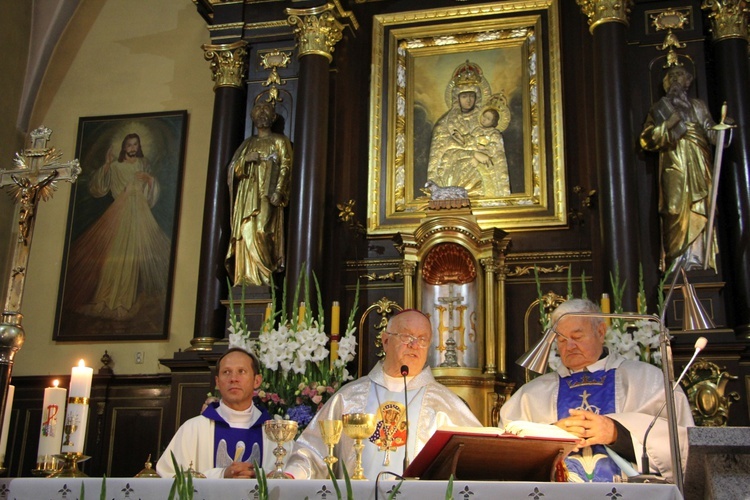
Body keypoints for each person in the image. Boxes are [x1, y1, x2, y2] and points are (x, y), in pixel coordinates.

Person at [499, 298, 694, 483]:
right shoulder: (531, 395)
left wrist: (618, 434)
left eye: (577, 336)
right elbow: (505, 454)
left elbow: (682, 444)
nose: (570, 346)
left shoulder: (648, 380)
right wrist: (551, 436)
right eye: (562, 340)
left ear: (601, 332)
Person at [284, 309, 482, 480]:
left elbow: (476, 458)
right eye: (407, 337)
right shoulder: (349, 397)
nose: (414, 345)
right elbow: (313, 450)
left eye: (422, 340)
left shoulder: (445, 403)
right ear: (386, 341)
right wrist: (291, 474)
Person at [64, 133, 171, 320]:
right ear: (123, 147)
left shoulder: (143, 164)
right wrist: (106, 165)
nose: (132, 148)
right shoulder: (115, 166)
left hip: (139, 212)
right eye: (129, 144)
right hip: (120, 211)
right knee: (113, 256)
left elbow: (151, 189)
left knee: (131, 259)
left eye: (135, 144)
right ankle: (104, 299)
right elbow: (99, 188)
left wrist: (150, 180)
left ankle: (123, 302)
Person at [640, 64, 721, 271]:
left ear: (687, 81)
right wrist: (667, 125)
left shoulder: (698, 106)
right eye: (671, 77)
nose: (675, 79)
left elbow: (711, 132)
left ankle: (698, 260)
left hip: (698, 161)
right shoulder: (659, 109)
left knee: (699, 208)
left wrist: (723, 129)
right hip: (673, 163)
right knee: (674, 209)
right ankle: (677, 261)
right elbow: (646, 140)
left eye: (679, 75)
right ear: (666, 84)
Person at [156, 348, 273, 479]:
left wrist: (257, 474)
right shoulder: (193, 429)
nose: (234, 378)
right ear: (217, 382)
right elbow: (167, 477)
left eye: (241, 371)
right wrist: (222, 475)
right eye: (226, 372)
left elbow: (290, 479)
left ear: (257, 381)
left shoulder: (275, 432)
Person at [226, 101, 293, 286]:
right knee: (244, 230)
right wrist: (245, 160)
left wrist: (279, 190)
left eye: (266, 110)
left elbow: (286, 165)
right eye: (258, 110)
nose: (262, 113)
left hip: (266, 193)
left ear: (273, 117)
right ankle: (246, 277)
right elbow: (232, 169)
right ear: (253, 117)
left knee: (262, 230)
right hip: (248, 194)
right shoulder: (247, 144)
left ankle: (264, 276)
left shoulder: (280, 141)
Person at [427, 60, 510, 198]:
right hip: (454, 178)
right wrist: (473, 154)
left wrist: (481, 153)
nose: (468, 100)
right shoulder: (444, 124)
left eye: (471, 96)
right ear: (456, 98)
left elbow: (495, 150)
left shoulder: (485, 120)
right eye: (464, 96)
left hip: (483, 180)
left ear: (477, 97)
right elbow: (441, 156)